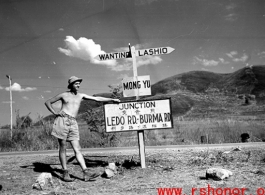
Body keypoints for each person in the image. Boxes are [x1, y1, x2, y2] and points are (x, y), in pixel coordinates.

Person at [45, 76, 120, 182]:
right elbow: (48, 102)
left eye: (79, 83)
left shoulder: (81, 95)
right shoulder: (63, 95)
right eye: (76, 83)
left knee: (77, 148)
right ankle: (65, 173)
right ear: (71, 85)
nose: (78, 85)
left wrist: (112, 99)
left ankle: (86, 172)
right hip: (62, 120)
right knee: (63, 147)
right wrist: (55, 112)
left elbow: (96, 98)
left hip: (73, 122)